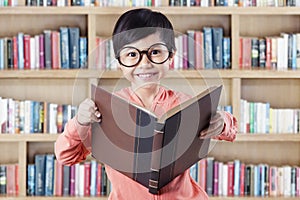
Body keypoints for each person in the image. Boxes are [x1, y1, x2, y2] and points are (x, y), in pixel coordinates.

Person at [55, 8, 237, 200]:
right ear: (119, 62)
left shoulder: (184, 103)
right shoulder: (104, 109)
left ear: (171, 57)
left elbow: (231, 128)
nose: (144, 63)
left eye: (155, 52)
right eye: (132, 55)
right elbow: (66, 156)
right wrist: (80, 122)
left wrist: (222, 121)